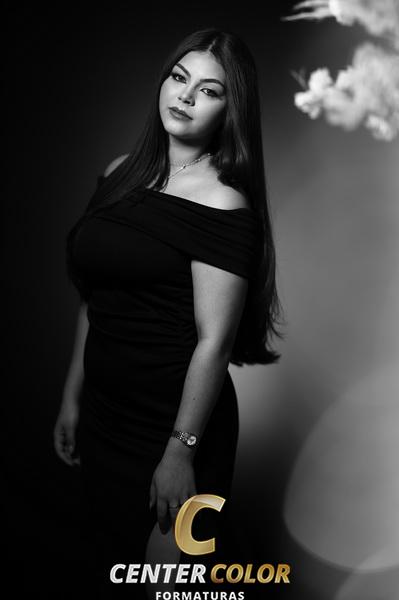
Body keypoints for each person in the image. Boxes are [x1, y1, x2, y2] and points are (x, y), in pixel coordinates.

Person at [54, 27, 282, 599]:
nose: (184, 96)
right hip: (105, 417)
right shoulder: (119, 173)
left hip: (176, 429)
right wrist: (72, 397)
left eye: (209, 90)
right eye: (179, 78)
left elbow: (214, 342)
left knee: (167, 587)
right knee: (105, 566)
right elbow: (96, 299)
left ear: (230, 110)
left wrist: (180, 454)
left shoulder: (223, 203)